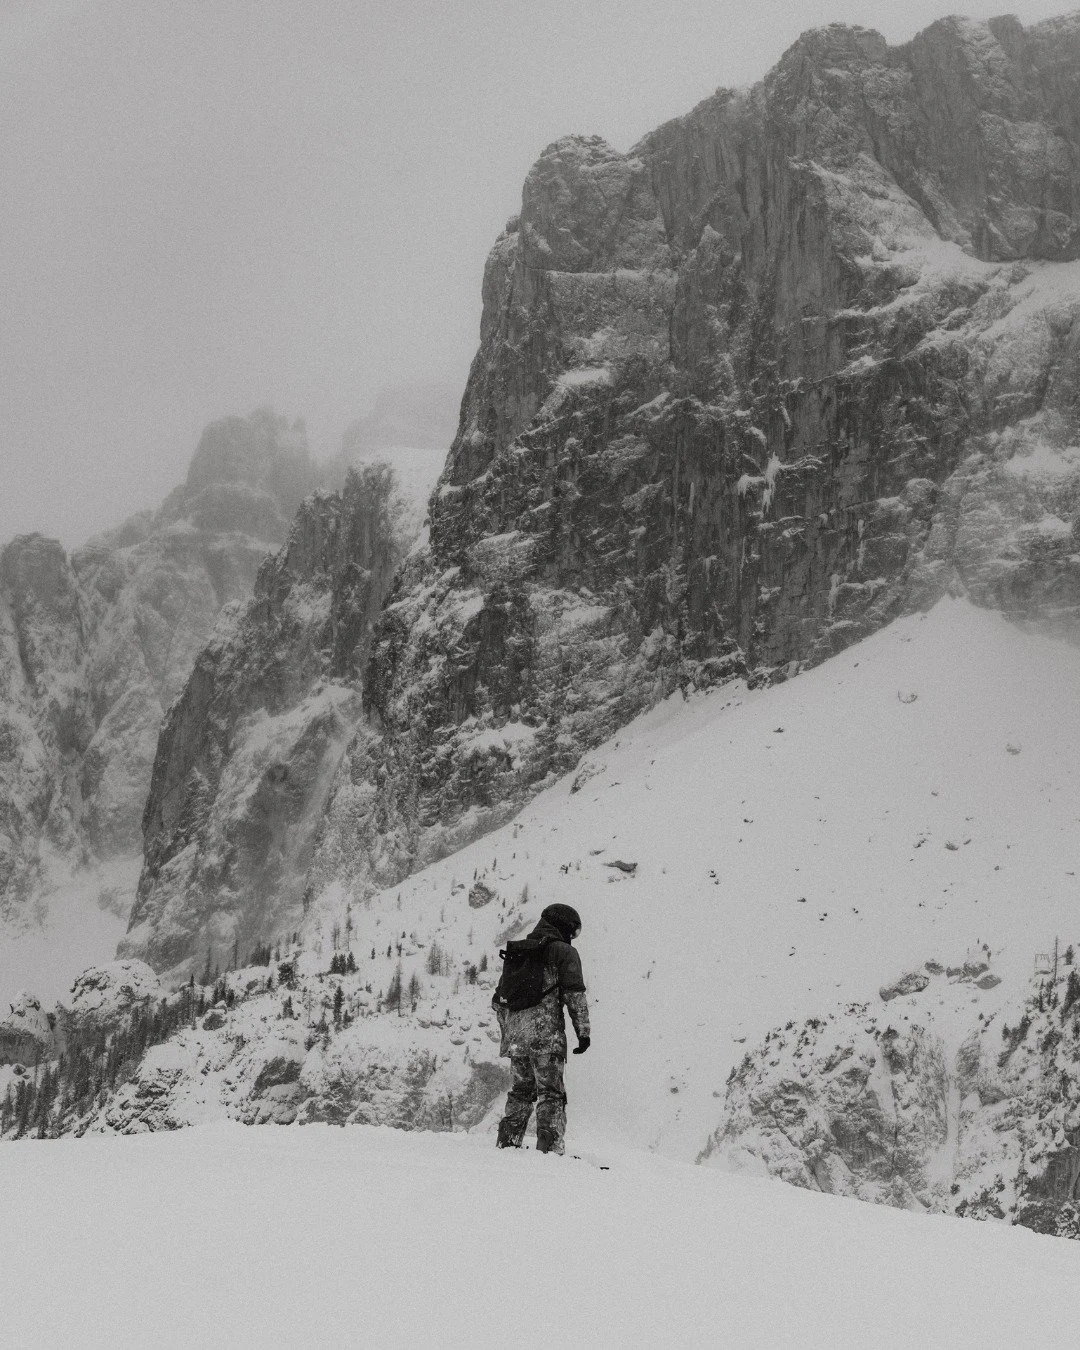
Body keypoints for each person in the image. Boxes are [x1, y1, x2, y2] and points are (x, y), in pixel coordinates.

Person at [493, 902, 590, 1155]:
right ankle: (549, 1150)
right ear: (565, 926)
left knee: (521, 1091)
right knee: (551, 1093)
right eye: (574, 930)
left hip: (516, 1038)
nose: (574, 936)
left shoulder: (521, 952)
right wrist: (583, 1032)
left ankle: (507, 1143)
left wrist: (510, 1034)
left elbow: (498, 1000)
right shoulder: (563, 952)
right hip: (546, 1036)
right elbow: (574, 995)